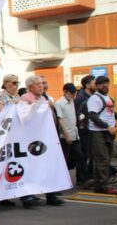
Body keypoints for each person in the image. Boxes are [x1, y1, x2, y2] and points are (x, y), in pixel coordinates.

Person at [20, 75, 64, 206]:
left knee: (48, 166)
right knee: (30, 167)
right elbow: (24, 118)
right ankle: (27, 197)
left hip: (46, 137)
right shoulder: (25, 98)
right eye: (37, 84)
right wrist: (35, 106)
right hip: (31, 139)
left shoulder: (44, 97)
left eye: (42, 84)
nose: (41, 86)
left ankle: (51, 194)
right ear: (30, 87)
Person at [87, 76, 117, 195]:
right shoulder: (94, 98)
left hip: (108, 133)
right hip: (98, 133)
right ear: (96, 86)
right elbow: (92, 115)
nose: (105, 86)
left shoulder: (108, 98)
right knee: (102, 159)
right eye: (101, 84)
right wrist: (107, 126)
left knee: (105, 160)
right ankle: (104, 185)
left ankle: (99, 185)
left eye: (107, 83)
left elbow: (108, 113)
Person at [55, 83, 82, 179]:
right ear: (65, 92)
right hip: (65, 136)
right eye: (72, 93)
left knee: (79, 156)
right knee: (64, 159)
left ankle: (82, 179)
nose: (74, 95)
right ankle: (61, 179)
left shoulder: (72, 102)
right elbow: (60, 120)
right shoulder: (59, 103)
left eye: (75, 93)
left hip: (74, 134)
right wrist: (66, 135)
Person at [74, 75, 95, 188]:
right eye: (94, 82)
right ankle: (82, 179)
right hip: (83, 130)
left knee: (88, 154)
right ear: (87, 85)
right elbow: (77, 115)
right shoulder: (81, 98)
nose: (95, 85)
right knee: (82, 155)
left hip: (90, 129)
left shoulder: (91, 96)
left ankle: (88, 176)